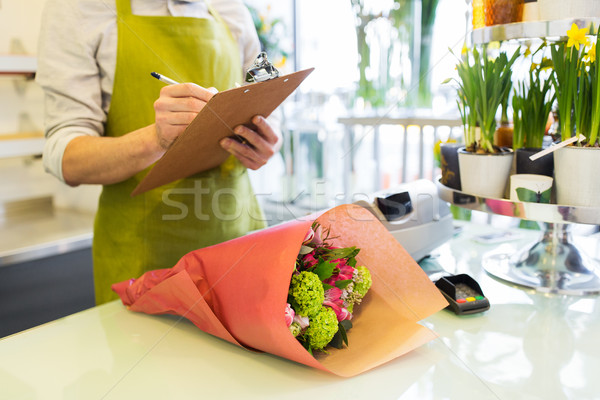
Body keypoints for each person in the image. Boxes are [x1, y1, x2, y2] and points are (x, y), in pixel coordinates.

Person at [36, 0, 281, 305]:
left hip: (239, 243)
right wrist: (156, 139)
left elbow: (264, 102)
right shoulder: (78, 9)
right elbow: (66, 159)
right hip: (142, 262)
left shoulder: (232, 10)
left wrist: (267, 140)